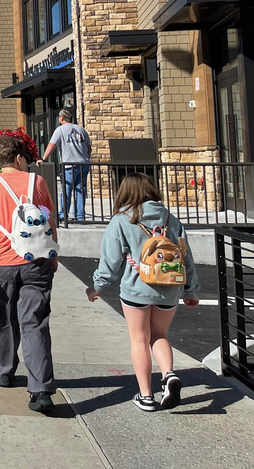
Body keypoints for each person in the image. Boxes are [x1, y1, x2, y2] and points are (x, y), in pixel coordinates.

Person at [87, 172, 199, 411]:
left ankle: (146, 396)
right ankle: (168, 375)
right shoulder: (171, 219)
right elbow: (186, 258)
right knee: (159, 335)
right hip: (169, 289)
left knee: (139, 339)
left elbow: (110, 262)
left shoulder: (122, 221)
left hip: (136, 289)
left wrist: (97, 288)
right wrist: (191, 290)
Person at [0, 135, 59, 414]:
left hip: (1, 262)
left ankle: (5, 371)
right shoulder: (38, 182)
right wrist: (54, 254)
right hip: (37, 260)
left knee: (5, 318)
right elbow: (49, 219)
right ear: (20, 158)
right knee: (34, 321)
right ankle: (40, 389)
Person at [37, 108, 92, 226]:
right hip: (84, 164)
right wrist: (86, 159)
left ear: (61, 118)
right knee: (80, 191)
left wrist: (43, 158)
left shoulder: (60, 130)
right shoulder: (81, 130)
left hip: (69, 166)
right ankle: (80, 217)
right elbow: (88, 148)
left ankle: (63, 215)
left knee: (66, 191)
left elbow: (52, 145)